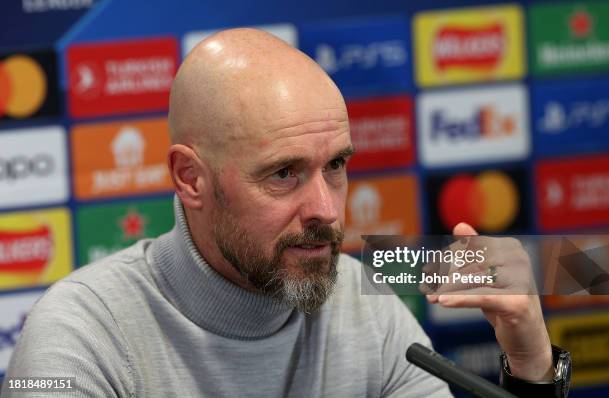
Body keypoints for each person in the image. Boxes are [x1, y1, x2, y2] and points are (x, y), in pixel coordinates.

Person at [1, 28, 567, 397]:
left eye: (337, 166)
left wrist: (531, 363)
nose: (325, 209)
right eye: (283, 174)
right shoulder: (82, 339)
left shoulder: (358, 303)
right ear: (190, 179)